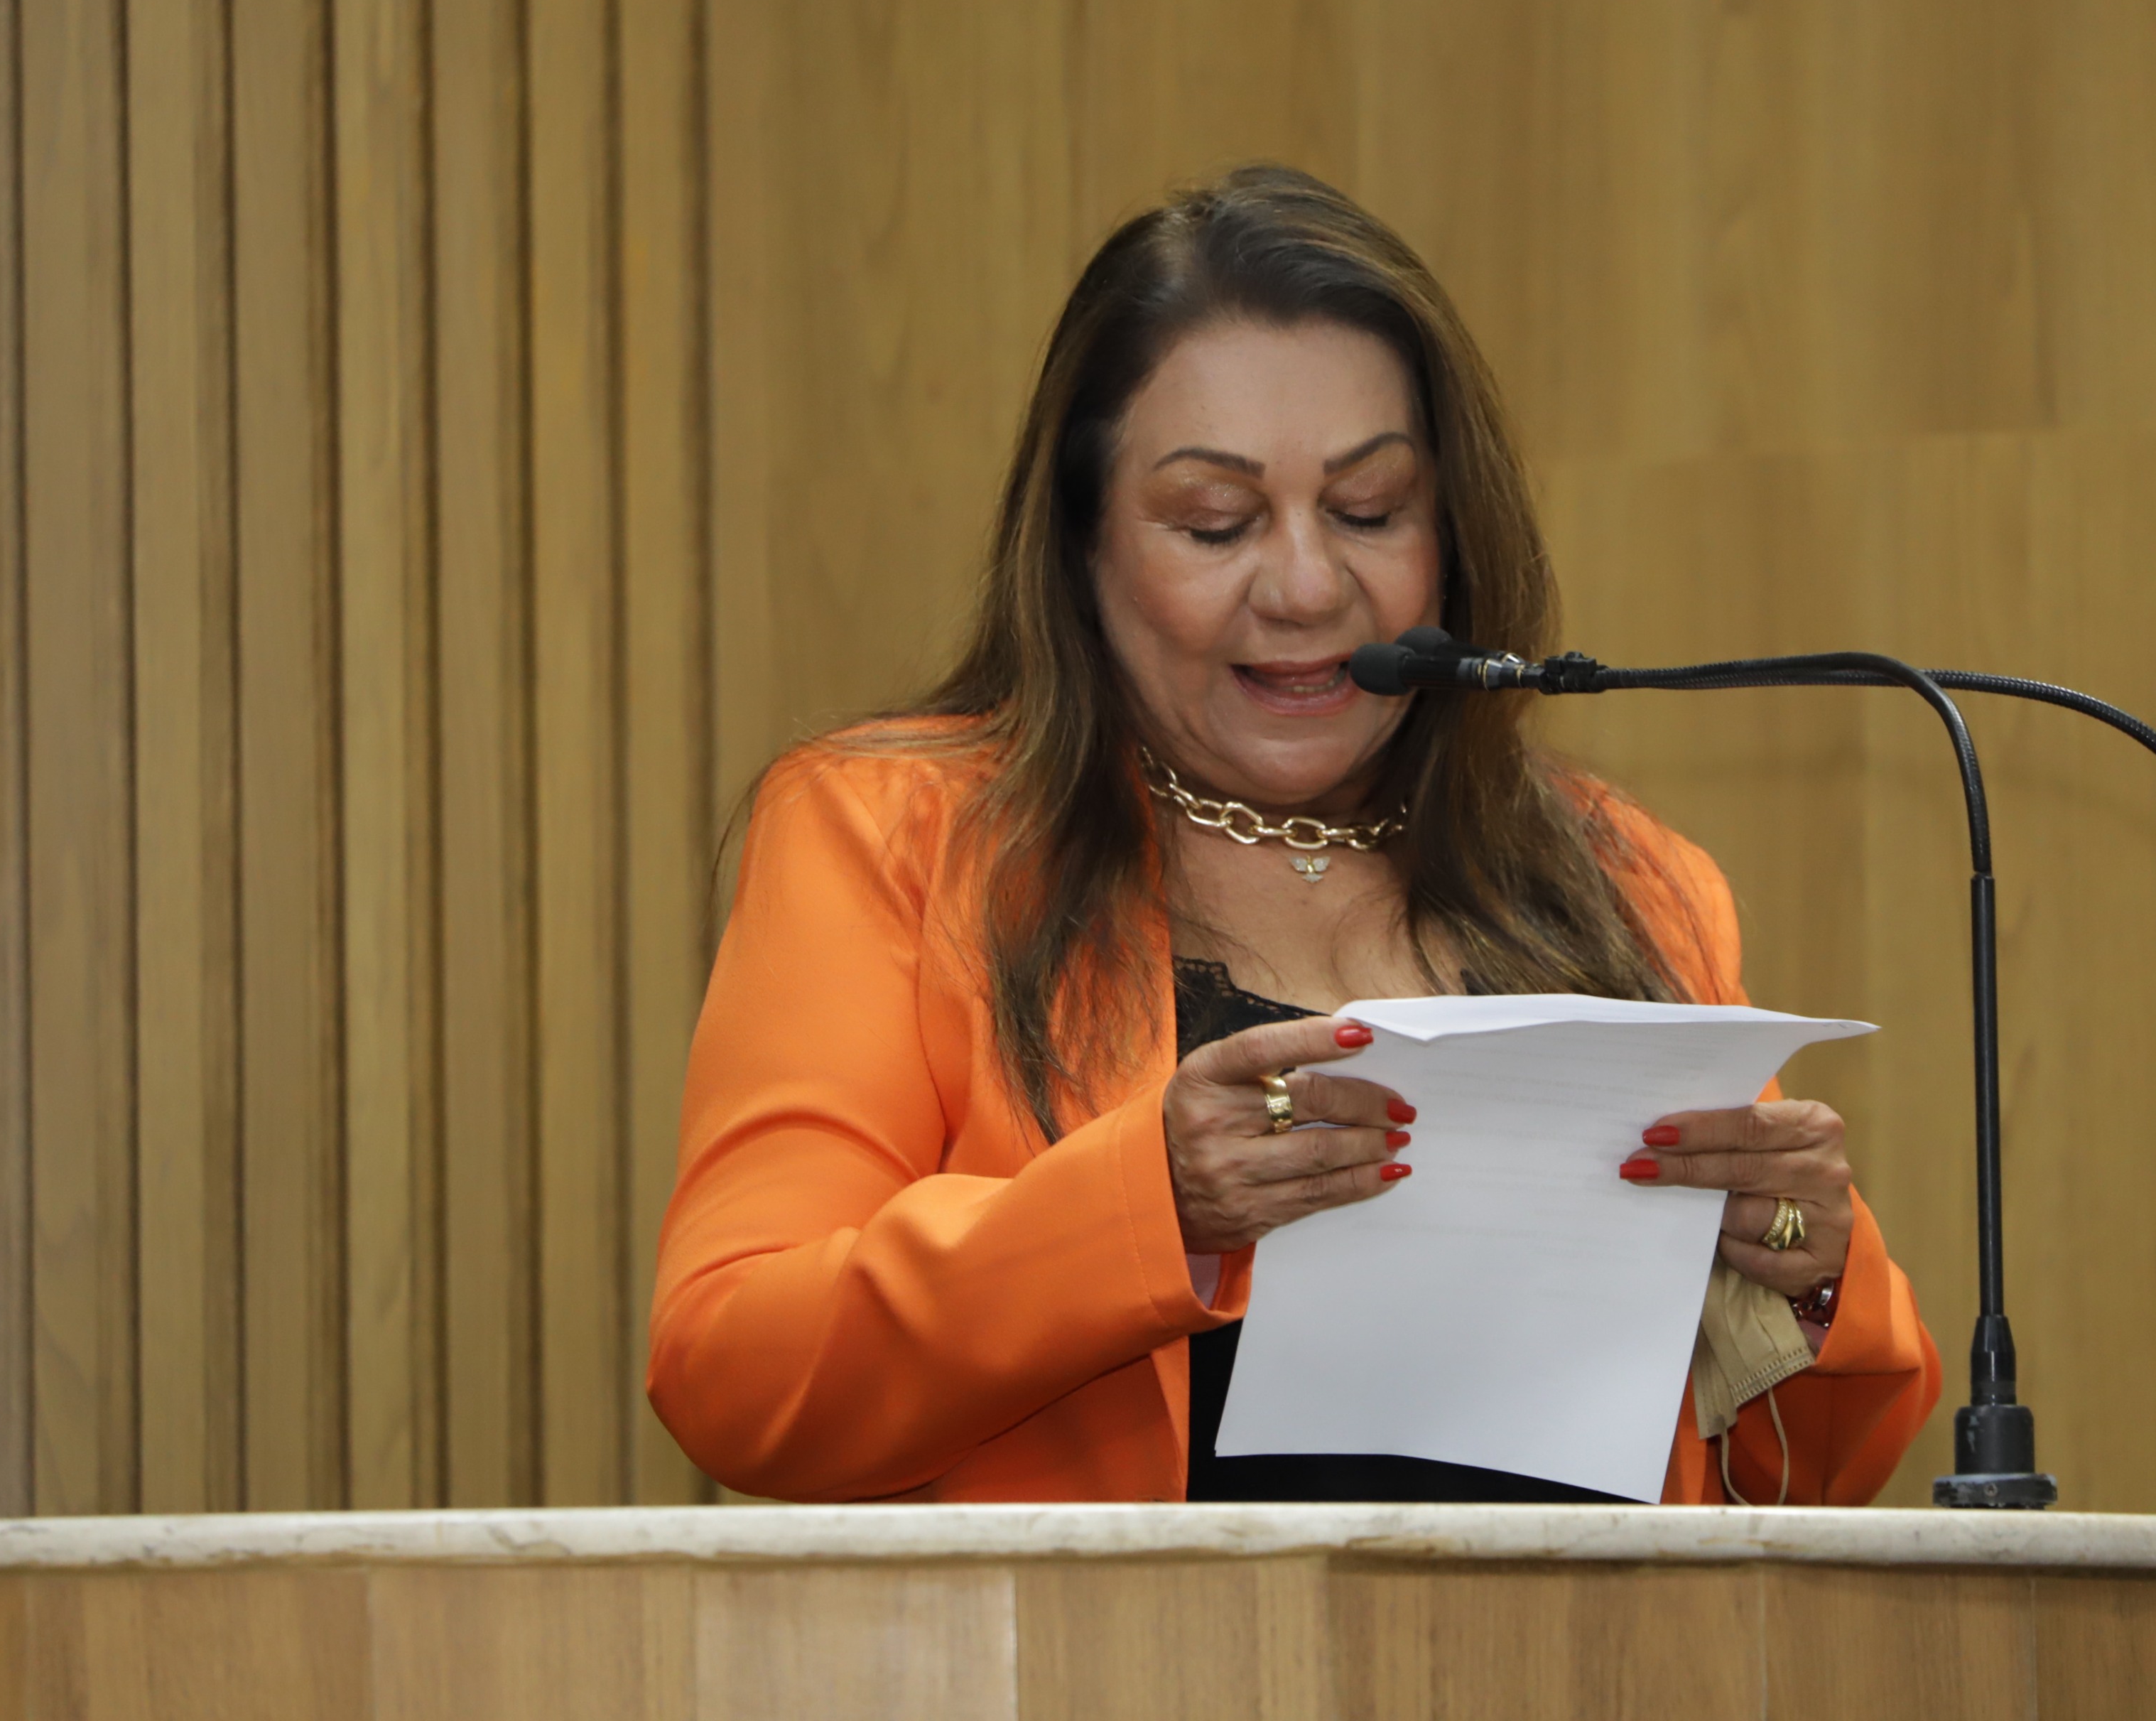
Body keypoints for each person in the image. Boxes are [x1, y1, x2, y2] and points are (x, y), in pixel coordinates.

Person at [649, 166, 1939, 1504]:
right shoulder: (895, 836)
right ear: (1084, 549)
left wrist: (1811, 1270)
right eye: (1216, 525)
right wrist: (1146, 1206)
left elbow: (1806, 1489)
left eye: (1370, 510)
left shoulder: (1620, 877)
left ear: (1451, 533)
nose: (1311, 587)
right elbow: (732, 1365)